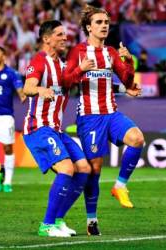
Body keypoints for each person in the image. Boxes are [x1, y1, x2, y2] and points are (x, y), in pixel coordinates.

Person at [63, 5, 144, 233]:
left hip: (111, 112)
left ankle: (120, 186)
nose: (104, 25)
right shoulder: (78, 52)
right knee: (95, 169)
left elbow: (127, 81)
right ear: (89, 27)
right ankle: (91, 220)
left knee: (137, 139)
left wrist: (127, 61)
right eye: (99, 22)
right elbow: (65, 83)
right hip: (89, 117)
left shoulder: (110, 52)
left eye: (106, 22)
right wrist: (79, 69)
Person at [23, 20, 92, 237]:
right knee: (66, 169)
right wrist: (40, 90)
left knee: (84, 169)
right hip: (39, 128)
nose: (65, 38)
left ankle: (58, 220)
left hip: (57, 130)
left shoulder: (62, 65)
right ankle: (46, 225)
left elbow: (76, 81)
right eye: (60, 34)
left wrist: (124, 88)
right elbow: (28, 87)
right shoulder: (39, 61)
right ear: (46, 39)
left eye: (65, 34)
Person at [0, 45, 26, 193]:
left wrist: (25, 95)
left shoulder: (12, 74)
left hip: (6, 117)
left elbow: (22, 94)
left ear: (4, 56)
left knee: (8, 148)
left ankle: (7, 181)